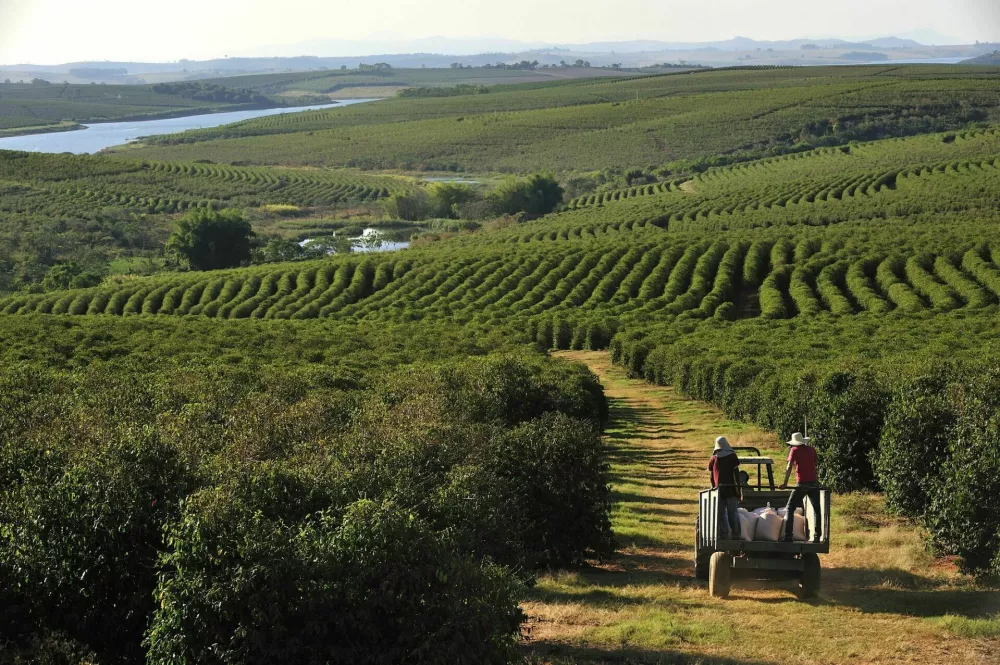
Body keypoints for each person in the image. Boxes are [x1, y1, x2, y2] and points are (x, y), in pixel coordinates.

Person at [778, 432, 822, 543]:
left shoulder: (794, 450)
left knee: (790, 508)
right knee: (817, 510)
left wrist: (785, 483)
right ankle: (817, 537)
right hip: (813, 483)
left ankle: (788, 536)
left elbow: (789, 467)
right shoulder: (812, 450)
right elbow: (814, 464)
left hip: (802, 483)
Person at [708, 436, 742, 540]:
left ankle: (724, 534)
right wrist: (739, 491)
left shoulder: (713, 458)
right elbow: (737, 475)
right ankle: (736, 534)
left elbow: (711, 476)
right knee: (733, 513)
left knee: (721, 514)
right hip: (731, 490)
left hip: (719, 490)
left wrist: (713, 488)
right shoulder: (732, 457)